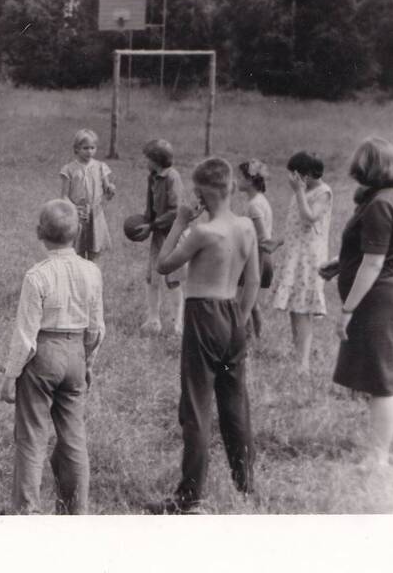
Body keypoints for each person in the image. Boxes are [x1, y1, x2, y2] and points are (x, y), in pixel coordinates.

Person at [146, 157, 259, 514]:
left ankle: (190, 496)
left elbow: (163, 265)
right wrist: (239, 319)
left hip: (203, 314)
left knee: (196, 406)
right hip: (232, 313)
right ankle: (246, 485)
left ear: (200, 194)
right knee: (235, 403)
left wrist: (181, 219)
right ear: (232, 188)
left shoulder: (202, 232)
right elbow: (253, 280)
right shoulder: (245, 227)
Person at [0, 199, 104, 514]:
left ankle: (27, 510)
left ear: (38, 233)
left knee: (32, 435)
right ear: (78, 231)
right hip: (75, 352)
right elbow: (97, 326)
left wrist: (10, 376)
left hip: (43, 352)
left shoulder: (37, 275)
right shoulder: (92, 271)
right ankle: (76, 510)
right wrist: (88, 361)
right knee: (73, 436)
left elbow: (26, 334)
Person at [326, 137, 393, 469]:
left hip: (377, 301)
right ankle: (377, 449)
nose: (356, 172)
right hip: (383, 295)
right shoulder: (392, 199)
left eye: (360, 167)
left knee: (382, 381)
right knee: (379, 378)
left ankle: (379, 456)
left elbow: (375, 263)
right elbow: (376, 253)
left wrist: (347, 310)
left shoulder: (379, 205)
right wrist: (340, 263)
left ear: (371, 167)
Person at [271, 151, 332, 372]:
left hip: (308, 257)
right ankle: (298, 357)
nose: (290, 179)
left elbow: (309, 217)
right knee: (294, 308)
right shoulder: (302, 191)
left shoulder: (323, 193)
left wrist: (298, 192)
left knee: (303, 308)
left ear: (304, 175)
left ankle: (303, 363)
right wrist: (277, 242)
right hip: (294, 253)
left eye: (293, 175)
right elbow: (294, 224)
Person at [135, 139, 186, 336]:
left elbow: (175, 211)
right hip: (158, 233)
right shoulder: (152, 177)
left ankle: (177, 324)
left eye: (148, 158)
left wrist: (153, 225)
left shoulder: (173, 177)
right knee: (152, 277)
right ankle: (153, 319)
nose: (146, 162)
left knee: (172, 279)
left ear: (157, 160)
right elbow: (150, 207)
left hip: (173, 233)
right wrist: (145, 224)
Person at [59, 129, 116, 262]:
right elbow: (64, 196)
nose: (90, 151)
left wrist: (110, 189)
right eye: (85, 148)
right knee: (76, 252)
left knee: (94, 252)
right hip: (77, 215)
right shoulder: (69, 169)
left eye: (93, 148)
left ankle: (93, 278)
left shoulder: (100, 167)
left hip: (96, 214)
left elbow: (107, 191)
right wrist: (74, 209)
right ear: (76, 149)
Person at [236, 159, 278, 338]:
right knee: (251, 302)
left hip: (256, 258)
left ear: (249, 180)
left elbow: (262, 237)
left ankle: (241, 337)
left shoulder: (254, 205)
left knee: (242, 301)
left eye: (239, 177)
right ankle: (257, 338)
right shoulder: (260, 200)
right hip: (258, 257)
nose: (236, 180)